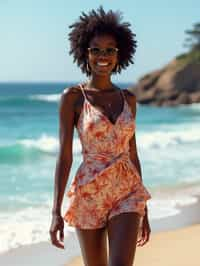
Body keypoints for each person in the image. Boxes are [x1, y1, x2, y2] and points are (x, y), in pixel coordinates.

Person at [49, 6, 152, 266]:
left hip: (127, 192)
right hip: (89, 192)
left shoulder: (129, 99)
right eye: (96, 49)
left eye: (109, 50)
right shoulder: (72, 98)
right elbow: (64, 157)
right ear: (85, 52)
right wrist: (56, 211)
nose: (102, 56)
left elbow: (132, 154)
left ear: (119, 54)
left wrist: (144, 206)